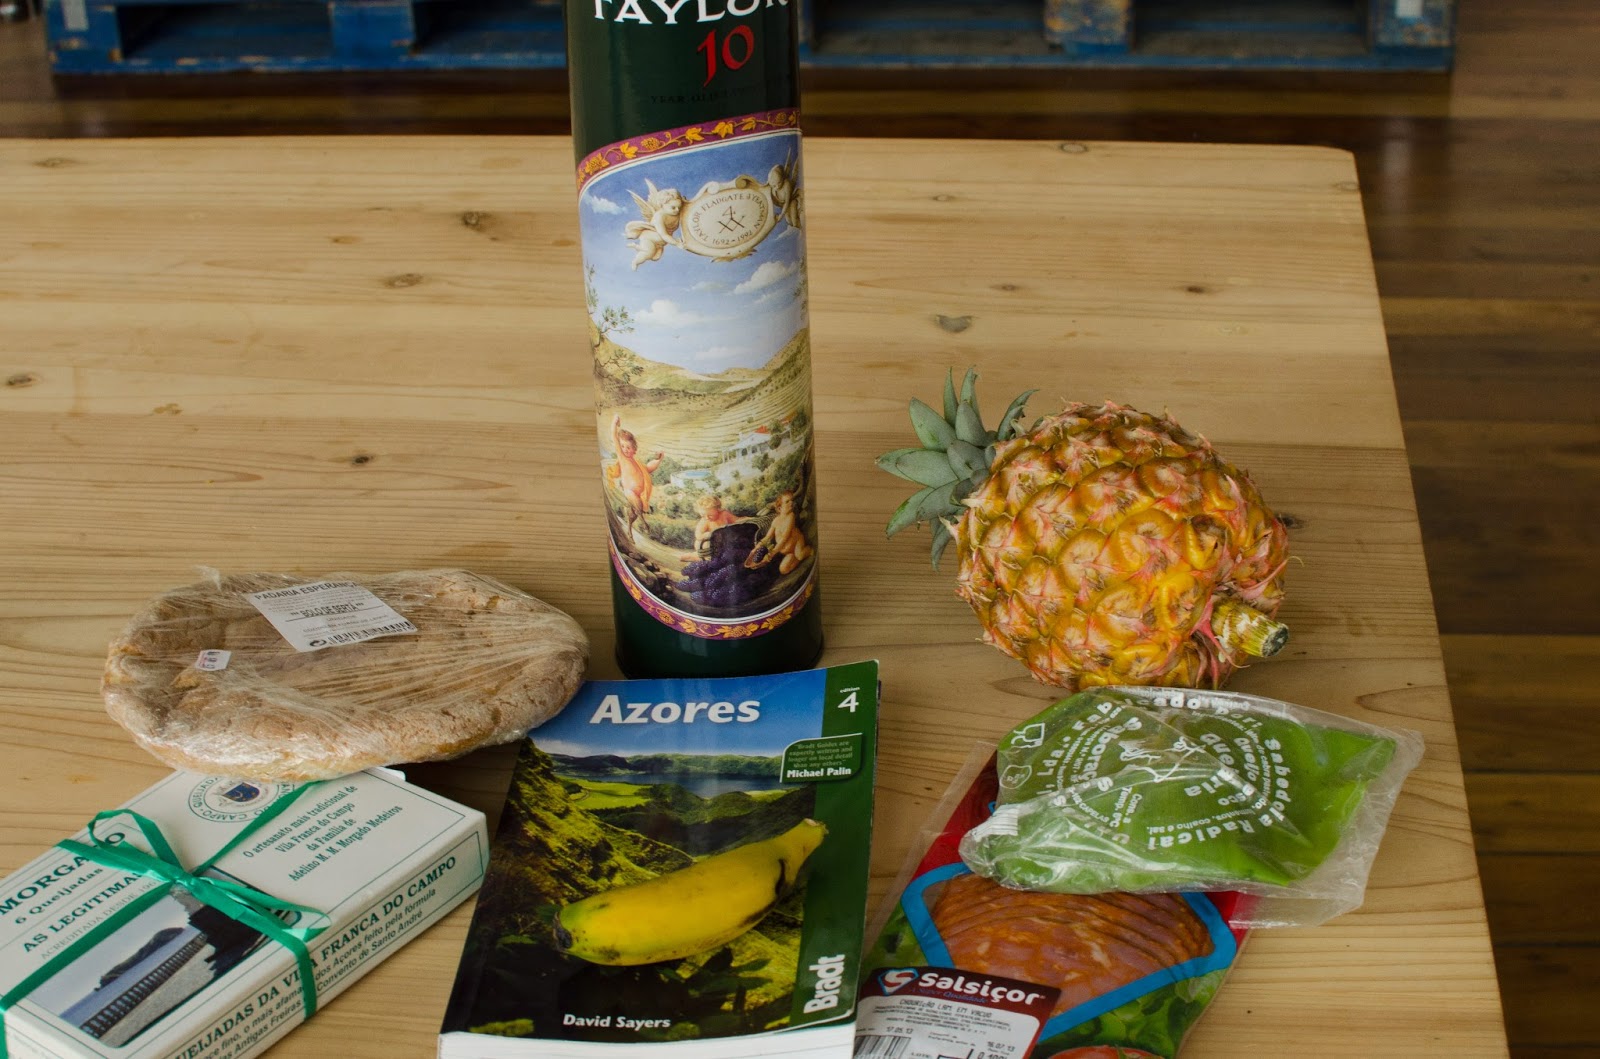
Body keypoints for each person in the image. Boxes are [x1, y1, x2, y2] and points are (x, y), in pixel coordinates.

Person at [610, 414, 663, 543]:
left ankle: (629, 530)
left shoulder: (637, 463)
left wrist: (658, 460)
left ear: (634, 449)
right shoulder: (622, 459)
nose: (625, 450)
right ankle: (644, 523)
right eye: (622, 446)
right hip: (630, 491)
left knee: (633, 513)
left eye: (628, 447)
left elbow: (649, 468)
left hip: (639, 492)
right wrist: (614, 423)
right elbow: (614, 437)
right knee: (638, 506)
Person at [745, 490, 813, 575]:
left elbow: (784, 538)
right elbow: (767, 537)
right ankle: (796, 558)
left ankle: (809, 550)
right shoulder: (776, 521)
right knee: (783, 570)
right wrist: (756, 548)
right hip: (788, 551)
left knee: (800, 555)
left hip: (796, 544)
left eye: (792, 500)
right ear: (780, 508)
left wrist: (773, 552)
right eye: (787, 502)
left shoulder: (790, 516)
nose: (791, 503)